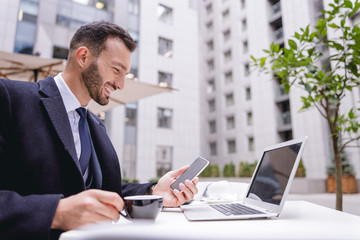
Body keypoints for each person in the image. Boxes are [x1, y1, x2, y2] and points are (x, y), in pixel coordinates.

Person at [0, 21, 198, 240]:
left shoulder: (96, 125)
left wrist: (153, 193)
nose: (121, 85)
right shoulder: (9, 97)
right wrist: (56, 212)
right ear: (83, 57)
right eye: (116, 70)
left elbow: (105, 192)